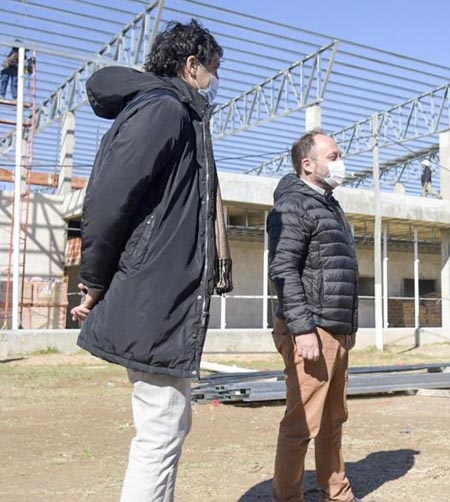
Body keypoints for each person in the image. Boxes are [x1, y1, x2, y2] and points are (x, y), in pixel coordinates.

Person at [70, 19, 231, 502]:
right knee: (161, 428)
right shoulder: (165, 109)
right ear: (191, 66)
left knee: (169, 422)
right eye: (214, 70)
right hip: (154, 293)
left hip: (161, 291)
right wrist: (93, 278)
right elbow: (108, 198)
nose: (216, 81)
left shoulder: (174, 112)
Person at [267, 128, 360, 502]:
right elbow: (284, 269)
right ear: (308, 164)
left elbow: (340, 269)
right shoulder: (294, 204)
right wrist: (303, 330)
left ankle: (337, 492)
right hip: (311, 328)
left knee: (334, 418)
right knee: (302, 422)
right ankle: (288, 497)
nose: (340, 161)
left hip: (334, 327)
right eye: (333, 156)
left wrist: (348, 327)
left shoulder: (327, 203)